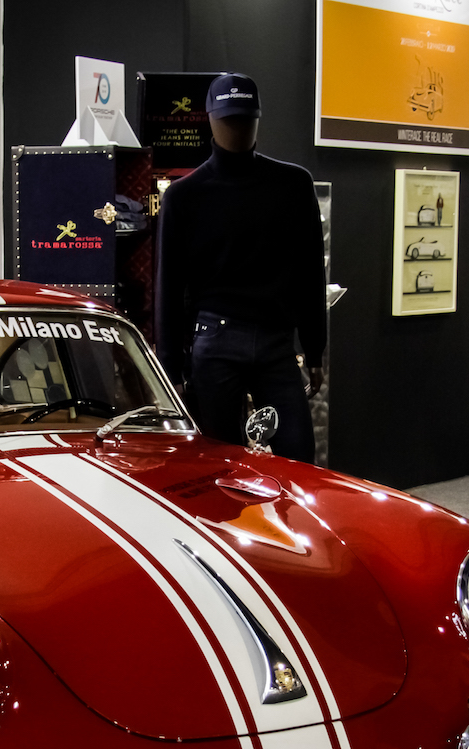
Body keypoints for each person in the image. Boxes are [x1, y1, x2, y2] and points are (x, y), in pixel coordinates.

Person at [154, 73, 326, 462]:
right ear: (210, 120)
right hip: (217, 341)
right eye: (229, 119)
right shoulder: (183, 196)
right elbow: (168, 287)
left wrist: (315, 348)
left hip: (273, 342)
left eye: (245, 119)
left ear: (258, 119)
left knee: (298, 462)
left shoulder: (294, 185)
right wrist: (170, 368)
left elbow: (310, 274)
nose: (238, 128)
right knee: (219, 466)